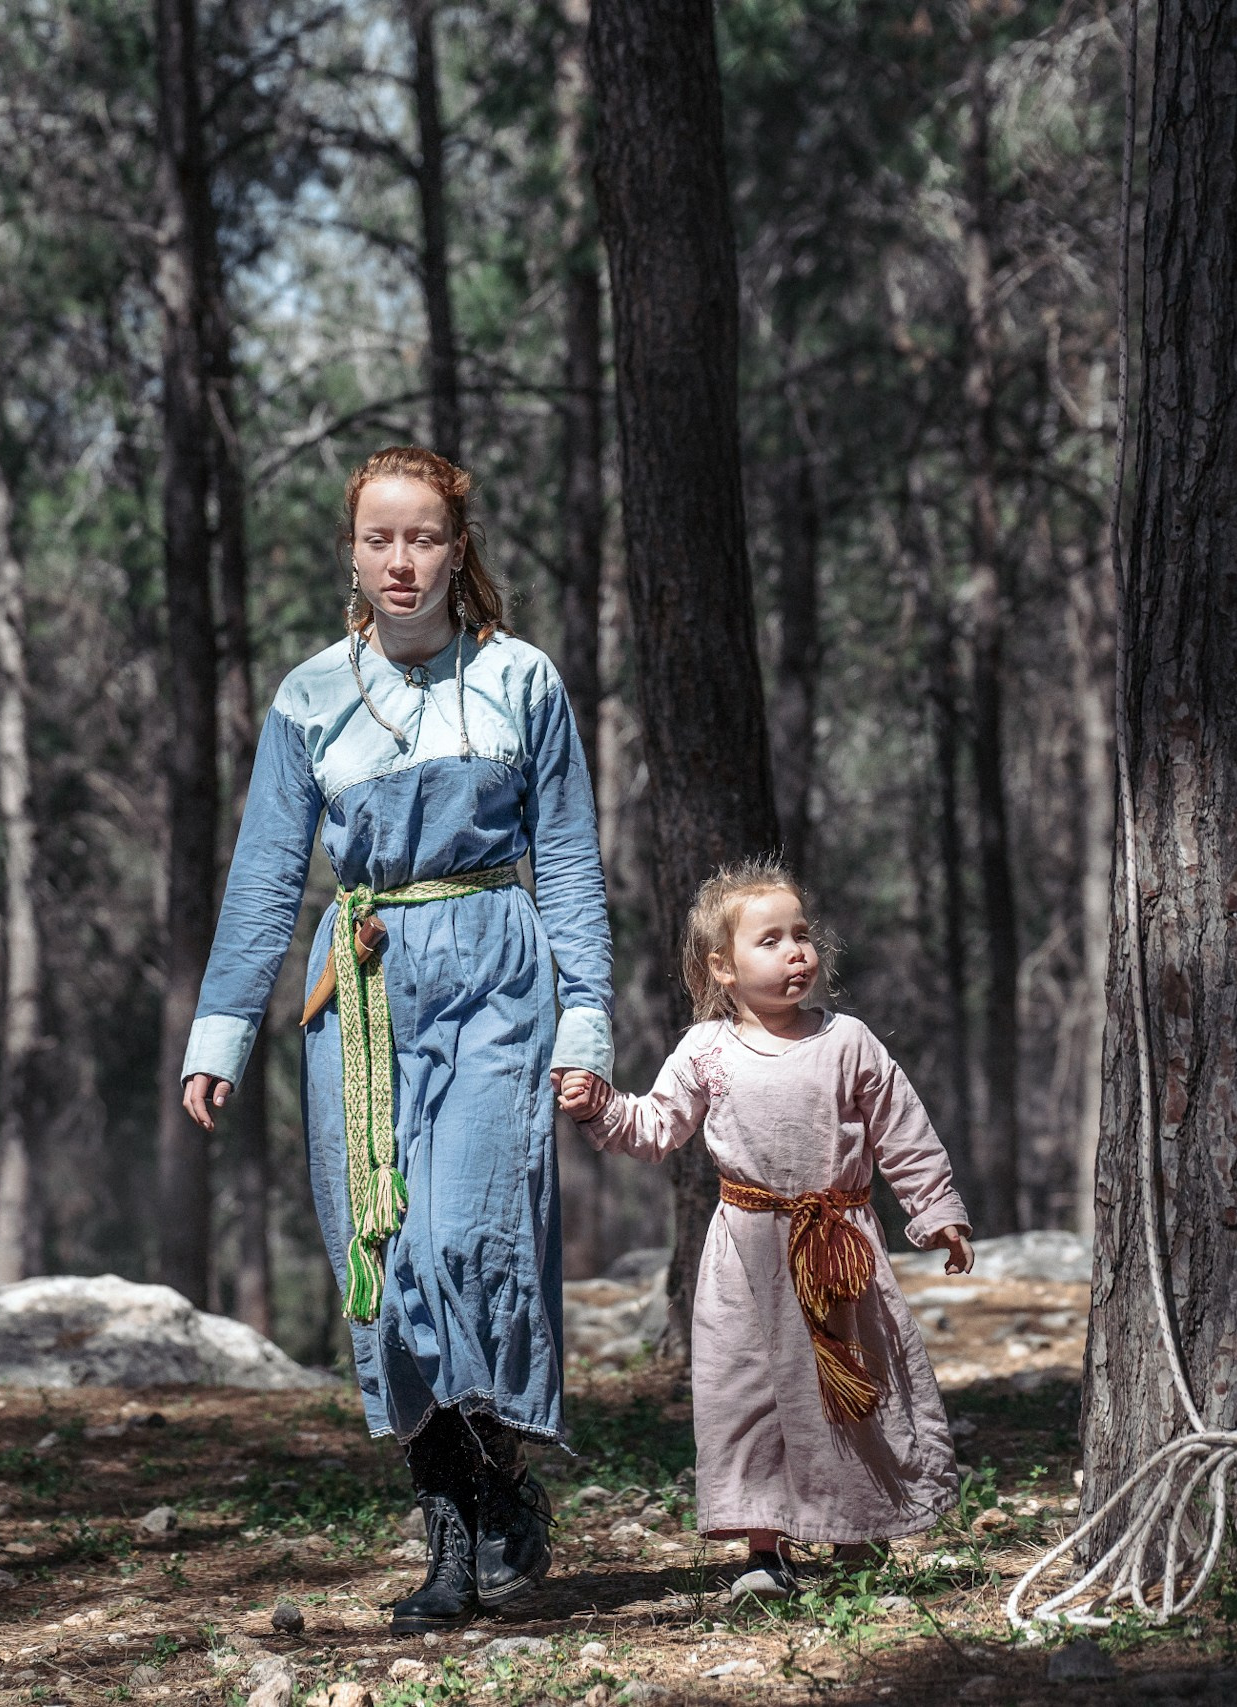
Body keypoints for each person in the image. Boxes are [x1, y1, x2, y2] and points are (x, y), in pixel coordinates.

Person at [179, 446, 613, 1632]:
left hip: (493, 969)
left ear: (457, 549)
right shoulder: (311, 695)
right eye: (379, 539)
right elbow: (268, 874)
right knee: (383, 1260)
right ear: (353, 554)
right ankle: (456, 1538)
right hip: (360, 990)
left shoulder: (521, 679)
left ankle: (503, 1482)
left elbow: (567, 860)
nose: (401, 561)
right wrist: (221, 1031)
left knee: (468, 1240)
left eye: (423, 538)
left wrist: (587, 1020)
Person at [557, 857, 972, 1600]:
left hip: (837, 1254)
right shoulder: (706, 1050)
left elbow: (903, 1131)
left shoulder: (848, 1040)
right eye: (771, 939)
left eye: (802, 935)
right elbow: (655, 1126)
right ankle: (763, 1549)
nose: (796, 952)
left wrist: (936, 1209)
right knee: (746, 1395)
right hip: (744, 1257)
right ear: (722, 966)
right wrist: (598, 1107)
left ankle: (854, 1532)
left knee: (847, 1388)